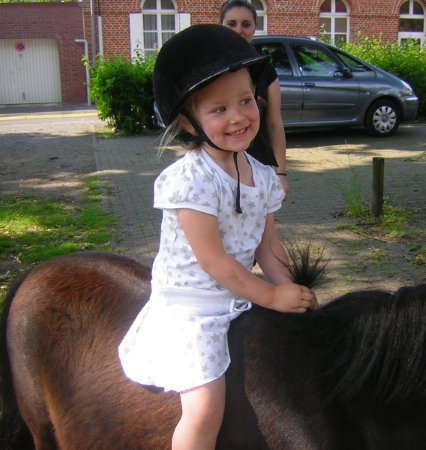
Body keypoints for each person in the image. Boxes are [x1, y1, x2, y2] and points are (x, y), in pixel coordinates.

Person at [118, 24, 317, 450]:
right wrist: (271, 297)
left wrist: (289, 288)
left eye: (246, 101)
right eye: (219, 109)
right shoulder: (190, 180)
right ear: (188, 121)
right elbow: (215, 261)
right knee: (205, 407)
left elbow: (267, 246)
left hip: (238, 297)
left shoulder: (263, 176)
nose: (239, 116)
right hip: (191, 307)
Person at [220, 0, 289, 197]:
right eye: (231, 24)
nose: (239, 30)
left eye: (246, 24)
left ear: (254, 28)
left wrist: (281, 172)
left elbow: (275, 123)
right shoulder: (210, 70)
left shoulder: (265, 70)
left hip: (258, 165)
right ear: (221, 25)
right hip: (219, 165)